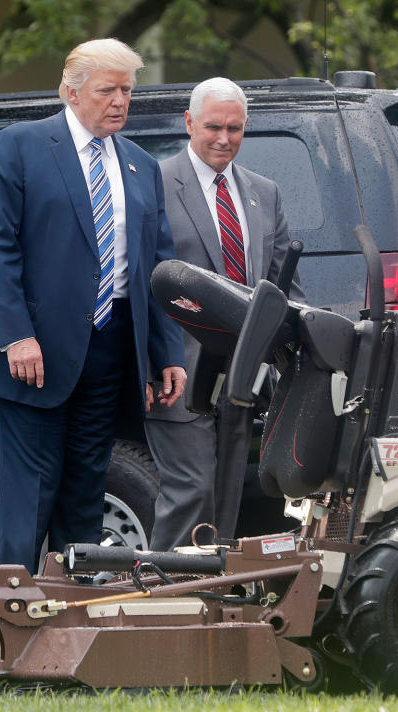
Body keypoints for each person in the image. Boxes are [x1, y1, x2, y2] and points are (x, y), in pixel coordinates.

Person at [0, 38, 186, 573]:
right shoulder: (19, 146)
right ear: (70, 91)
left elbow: (155, 264)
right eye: (107, 90)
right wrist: (16, 334)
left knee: (87, 489)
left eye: (127, 90)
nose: (119, 101)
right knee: (31, 491)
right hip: (32, 351)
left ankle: (73, 616)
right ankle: (7, 621)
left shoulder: (139, 165)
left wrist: (165, 351)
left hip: (109, 348)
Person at [145, 77, 304, 550]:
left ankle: (209, 600)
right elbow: (136, 281)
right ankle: (163, 599)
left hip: (242, 377)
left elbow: (281, 285)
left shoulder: (264, 192)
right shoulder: (154, 183)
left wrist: (297, 349)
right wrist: (147, 362)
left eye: (235, 128)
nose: (224, 138)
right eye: (213, 126)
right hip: (177, 370)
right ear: (189, 122)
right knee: (191, 489)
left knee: (227, 497)